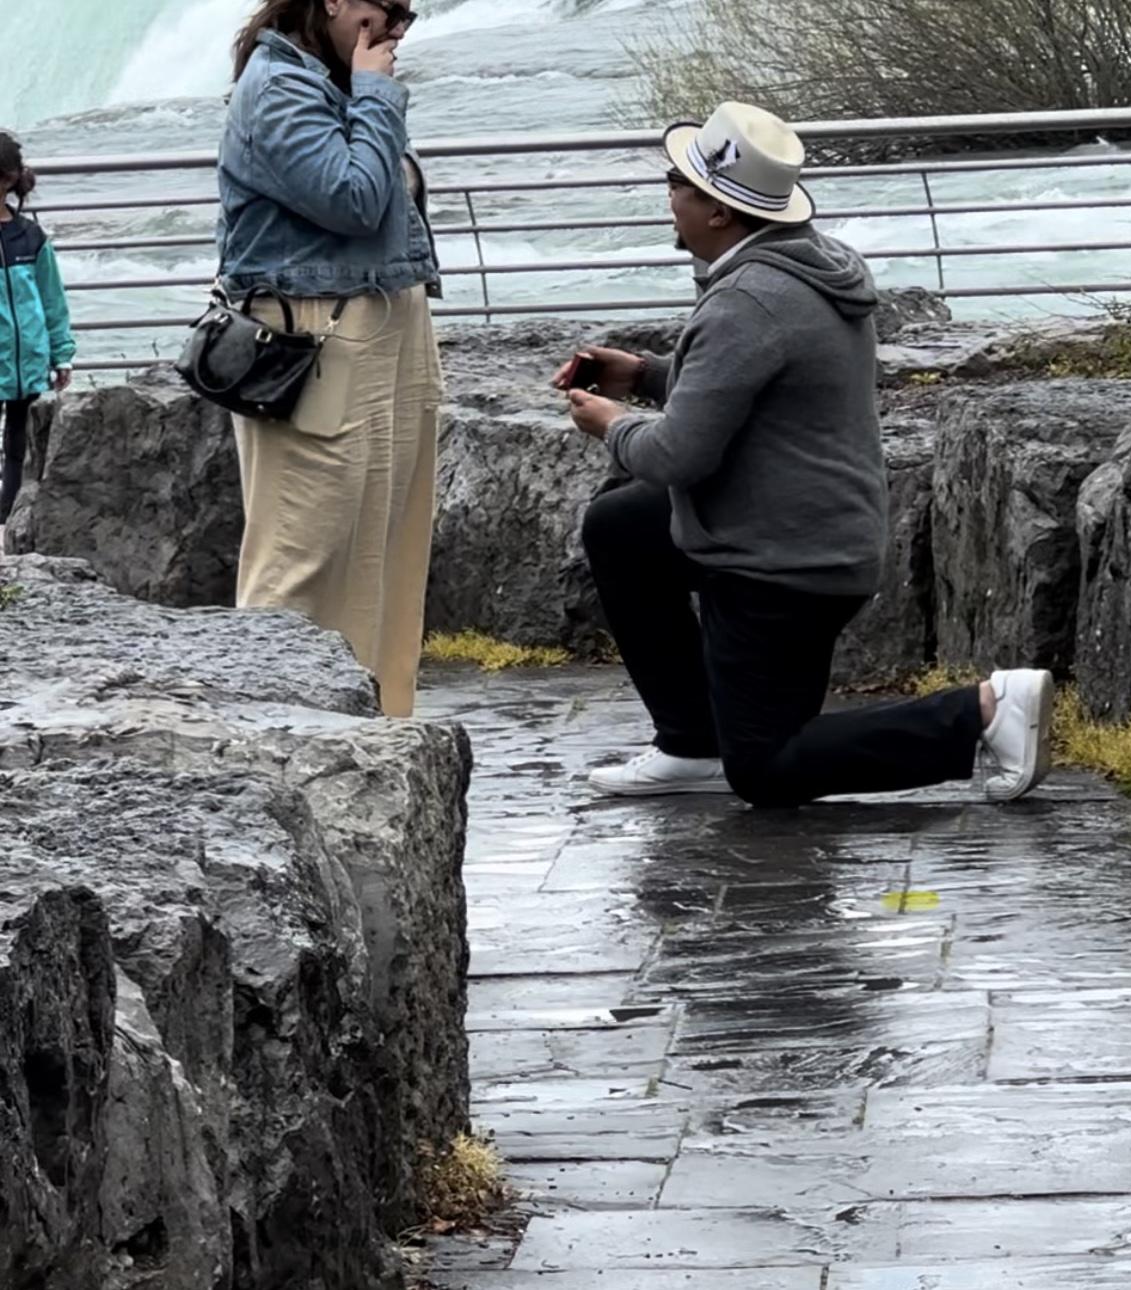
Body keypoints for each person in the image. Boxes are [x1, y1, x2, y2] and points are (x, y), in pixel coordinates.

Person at [555, 101, 1054, 808]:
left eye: (677, 184)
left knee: (766, 768)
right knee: (622, 527)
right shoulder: (807, 265)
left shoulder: (748, 299)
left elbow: (675, 457)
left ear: (719, 211)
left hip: (784, 561)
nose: (667, 198)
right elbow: (754, 386)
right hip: (813, 522)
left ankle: (983, 709)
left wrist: (611, 423)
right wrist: (643, 376)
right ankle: (691, 744)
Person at [218, 0, 442, 718]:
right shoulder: (278, 85)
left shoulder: (330, 78)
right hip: (317, 333)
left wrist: (366, 88)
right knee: (301, 554)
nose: (398, 31)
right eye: (390, 12)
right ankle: (273, 736)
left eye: (410, 16)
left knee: (388, 549)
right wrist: (375, 92)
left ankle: (384, 732)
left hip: (382, 320)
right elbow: (353, 199)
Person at [0, 133, 74, 529]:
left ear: (8, 180)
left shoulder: (31, 237)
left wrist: (61, 355)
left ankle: (8, 520)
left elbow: (52, 300)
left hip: (27, 363)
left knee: (18, 447)